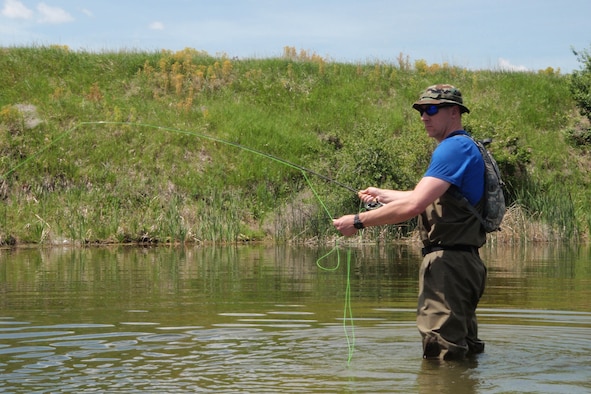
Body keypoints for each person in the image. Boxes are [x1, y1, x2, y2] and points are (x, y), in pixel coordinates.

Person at [333, 84, 487, 360]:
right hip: (464, 263)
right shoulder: (465, 147)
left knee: (442, 355)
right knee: (462, 350)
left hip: (449, 266)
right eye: (420, 110)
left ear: (454, 112)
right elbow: (424, 198)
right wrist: (383, 195)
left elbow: (414, 205)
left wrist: (357, 222)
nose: (423, 117)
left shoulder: (451, 149)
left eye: (431, 109)